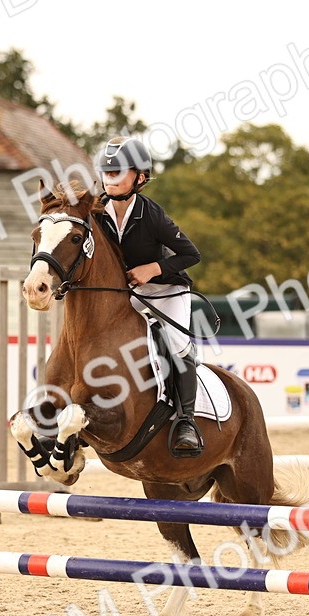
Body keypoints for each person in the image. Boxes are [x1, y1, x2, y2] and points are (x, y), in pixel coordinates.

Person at [94, 136, 203, 456]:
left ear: (140, 178)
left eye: (117, 173)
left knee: (178, 344)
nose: (109, 179)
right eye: (106, 173)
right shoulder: (97, 212)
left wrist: (152, 269)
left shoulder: (152, 214)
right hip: (128, 293)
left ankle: (187, 421)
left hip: (167, 290)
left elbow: (190, 254)